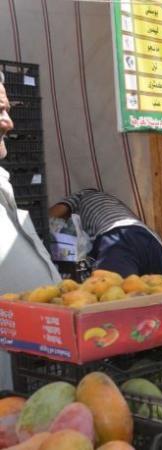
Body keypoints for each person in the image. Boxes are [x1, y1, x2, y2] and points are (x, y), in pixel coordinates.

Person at [0, 74, 60, 390]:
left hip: (29, 386)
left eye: (7, 110)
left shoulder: (3, 181)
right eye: (0, 111)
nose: (9, 123)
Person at [49, 189, 162, 277]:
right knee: (160, 294)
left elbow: (50, 215)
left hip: (118, 238)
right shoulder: (113, 203)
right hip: (151, 241)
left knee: (114, 295)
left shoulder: (81, 196)